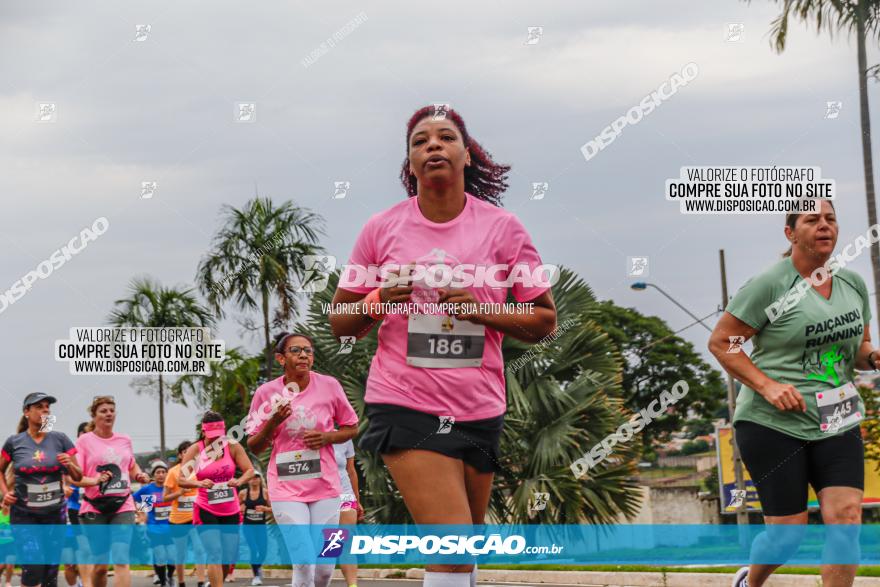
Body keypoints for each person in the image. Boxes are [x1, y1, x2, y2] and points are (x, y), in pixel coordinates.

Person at [328, 105, 557, 587]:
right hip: (404, 402)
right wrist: (376, 299)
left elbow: (543, 320)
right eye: (419, 141)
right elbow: (340, 324)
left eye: (445, 137)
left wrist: (480, 310)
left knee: (466, 554)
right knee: (451, 552)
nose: (432, 146)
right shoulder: (380, 229)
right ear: (409, 165)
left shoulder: (504, 228)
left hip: (480, 407)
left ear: (467, 155)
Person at [709, 201, 879, 587]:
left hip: (837, 418)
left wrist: (875, 356)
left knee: (847, 518)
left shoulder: (851, 283)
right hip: (773, 422)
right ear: (790, 233)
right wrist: (767, 386)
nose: (824, 226)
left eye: (831, 219)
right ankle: (749, 582)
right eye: (812, 219)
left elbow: (859, 350)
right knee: (788, 535)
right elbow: (722, 343)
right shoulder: (770, 285)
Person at [246, 332, 358, 587]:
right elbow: (254, 445)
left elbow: (353, 427)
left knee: (325, 569)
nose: (304, 355)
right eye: (296, 350)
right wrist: (273, 421)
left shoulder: (330, 385)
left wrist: (327, 437)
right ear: (281, 358)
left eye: (308, 350)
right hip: (286, 488)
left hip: (327, 488)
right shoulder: (266, 393)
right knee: (304, 559)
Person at [0, 393, 83, 587]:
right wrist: (6, 493)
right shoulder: (14, 442)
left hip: (55, 514)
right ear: (26, 412)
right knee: (33, 568)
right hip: (24, 515)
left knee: (50, 572)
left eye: (47, 407)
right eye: (39, 407)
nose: (45, 410)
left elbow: (78, 476)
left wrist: (69, 465)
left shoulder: (60, 439)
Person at [75, 396, 151, 587]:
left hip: (122, 505)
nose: (109, 413)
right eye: (103, 411)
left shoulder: (124, 439)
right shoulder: (84, 441)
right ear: (94, 415)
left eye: (112, 410)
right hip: (94, 507)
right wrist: (94, 480)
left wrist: (140, 475)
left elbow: (132, 466)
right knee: (100, 566)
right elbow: (77, 477)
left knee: (121, 558)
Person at [179, 412, 254, 587]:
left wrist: (239, 481)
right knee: (214, 552)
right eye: (212, 437)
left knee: (228, 557)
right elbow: (181, 479)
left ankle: (215, 582)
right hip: (206, 508)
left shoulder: (233, 446)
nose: (215, 441)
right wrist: (199, 483)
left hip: (230, 509)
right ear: (203, 432)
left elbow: (249, 470)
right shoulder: (195, 450)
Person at [163, 441, 206, 587]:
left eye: (191, 452)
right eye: (185, 452)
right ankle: (181, 582)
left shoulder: (199, 470)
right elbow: (165, 497)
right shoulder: (173, 472)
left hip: (195, 517)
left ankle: (201, 582)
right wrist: (179, 492)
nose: (189, 455)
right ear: (180, 455)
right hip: (178, 519)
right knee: (181, 554)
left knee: (200, 549)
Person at [135, 461, 175, 587]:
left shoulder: (171, 487)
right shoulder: (149, 489)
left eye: (163, 472)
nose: (161, 475)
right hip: (154, 528)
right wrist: (141, 514)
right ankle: (163, 582)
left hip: (172, 527)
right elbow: (133, 500)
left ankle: (169, 577)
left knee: (172, 558)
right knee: (160, 556)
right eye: (158, 472)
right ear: (153, 475)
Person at [64, 422, 91, 587]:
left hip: (90, 514)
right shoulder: (69, 457)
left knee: (86, 554)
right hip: (70, 512)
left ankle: (84, 582)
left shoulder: (97, 457)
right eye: (86, 434)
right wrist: (63, 487)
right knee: (68, 560)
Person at [334, 440, 362, 587]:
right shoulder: (308, 436)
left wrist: (357, 500)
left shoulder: (344, 438)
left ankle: (352, 585)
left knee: (347, 541)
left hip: (345, 495)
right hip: (320, 496)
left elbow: (351, 470)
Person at [238, 473, 270, 586]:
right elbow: (235, 507)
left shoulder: (265, 492)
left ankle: (257, 566)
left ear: (260, 480)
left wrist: (265, 508)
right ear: (248, 480)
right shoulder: (243, 493)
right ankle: (256, 576)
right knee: (253, 549)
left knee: (263, 551)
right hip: (248, 526)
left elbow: (273, 508)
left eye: (257, 477)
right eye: (252, 477)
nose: (254, 479)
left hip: (261, 526)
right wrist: (240, 508)